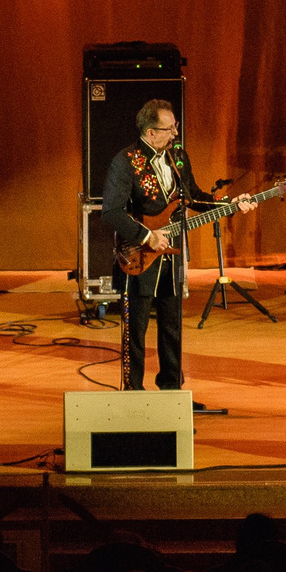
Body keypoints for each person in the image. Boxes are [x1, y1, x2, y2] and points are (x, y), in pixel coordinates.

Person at [100, 99, 212, 399]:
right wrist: (147, 236)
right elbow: (111, 212)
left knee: (172, 327)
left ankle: (172, 390)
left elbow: (194, 198)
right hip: (139, 258)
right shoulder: (125, 161)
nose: (175, 133)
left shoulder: (178, 157)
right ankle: (134, 392)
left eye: (175, 126)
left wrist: (231, 204)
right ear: (150, 133)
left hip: (171, 258)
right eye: (169, 128)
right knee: (135, 331)